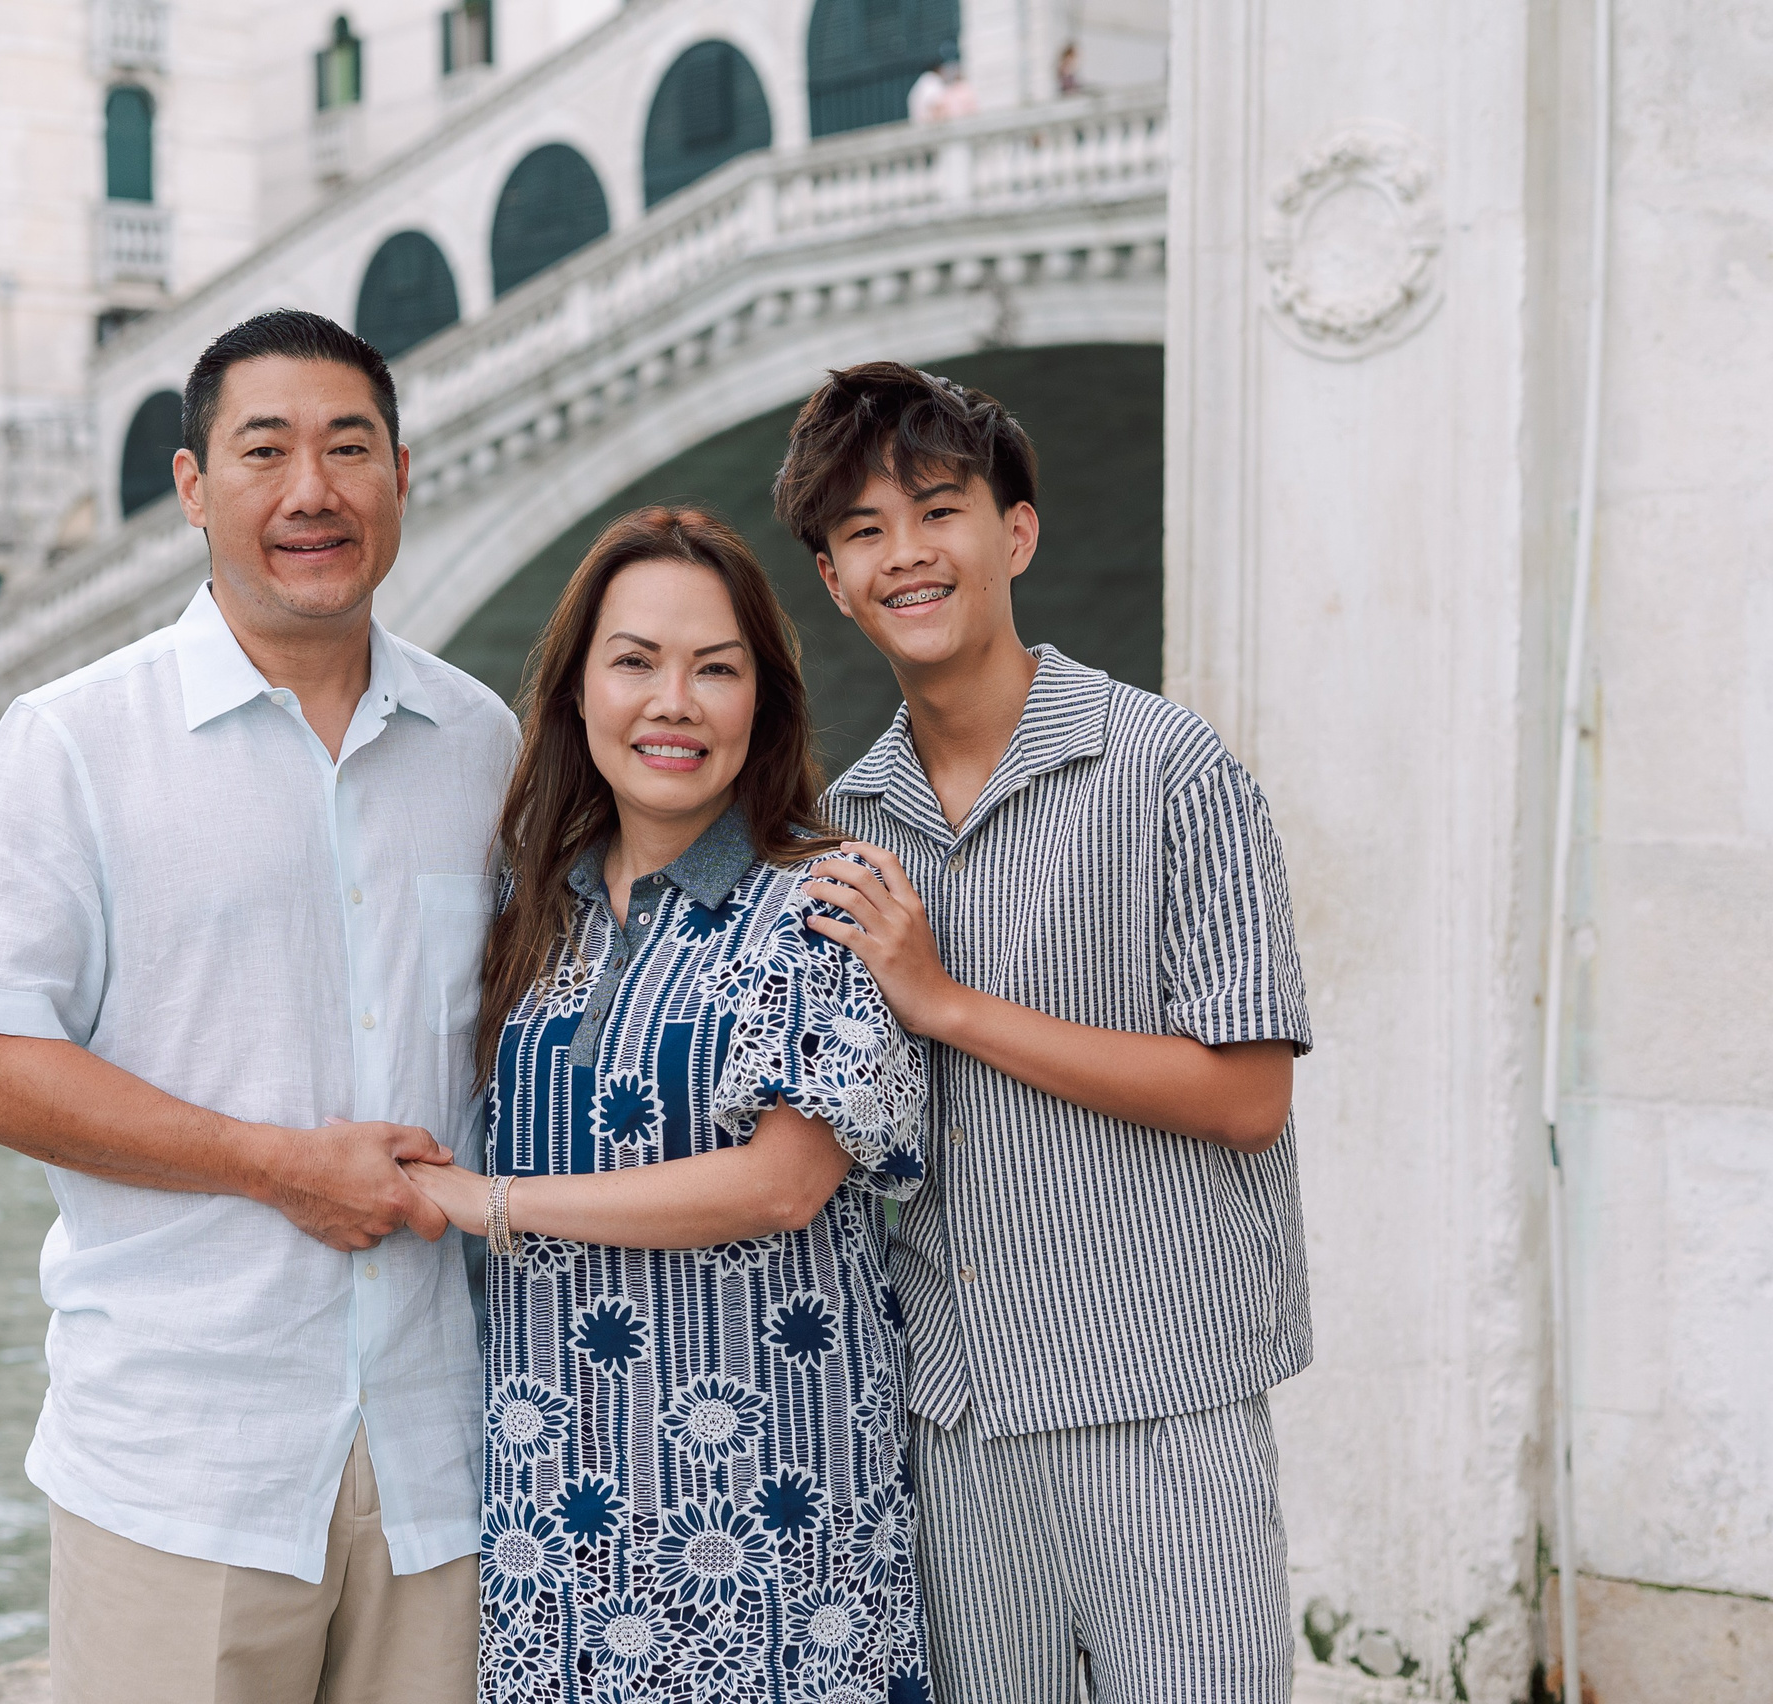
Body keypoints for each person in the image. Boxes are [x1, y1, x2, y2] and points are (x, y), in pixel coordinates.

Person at [0, 310, 520, 1704]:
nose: (312, 491)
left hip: (447, 1456)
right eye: (266, 452)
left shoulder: (484, 743)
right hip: (185, 1461)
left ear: (402, 477)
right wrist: (281, 1167)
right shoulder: (74, 740)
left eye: (347, 449)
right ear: (194, 490)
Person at [774, 362, 1314, 1704]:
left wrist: (946, 1003)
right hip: (951, 1420)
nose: (906, 553)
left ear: (1014, 532)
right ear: (835, 583)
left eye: (936, 510)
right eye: (862, 531)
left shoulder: (1171, 770)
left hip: (1167, 1404)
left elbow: (1248, 1096)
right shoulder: (844, 831)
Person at [400, 507, 932, 1704]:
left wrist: (483, 1202)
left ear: (766, 702)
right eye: (634, 661)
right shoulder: (535, 913)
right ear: (577, 693)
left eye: (716, 669)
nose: (673, 702)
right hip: (554, 1514)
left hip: (773, 1516)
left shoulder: (819, 902)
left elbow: (784, 1182)